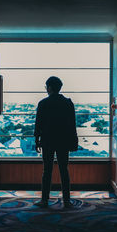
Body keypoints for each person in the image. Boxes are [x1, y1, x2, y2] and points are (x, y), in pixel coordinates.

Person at [34, 76, 78, 208]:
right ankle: (66, 201)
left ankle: (44, 200)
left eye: (46, 86)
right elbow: (72, 125)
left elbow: (38, 124)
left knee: (47, 171)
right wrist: (73, 141)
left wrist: (37, 140)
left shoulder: (43, 103)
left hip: (47, 141)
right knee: (64, 170)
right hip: (63, 141)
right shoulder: (68, 103)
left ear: (50, 87)